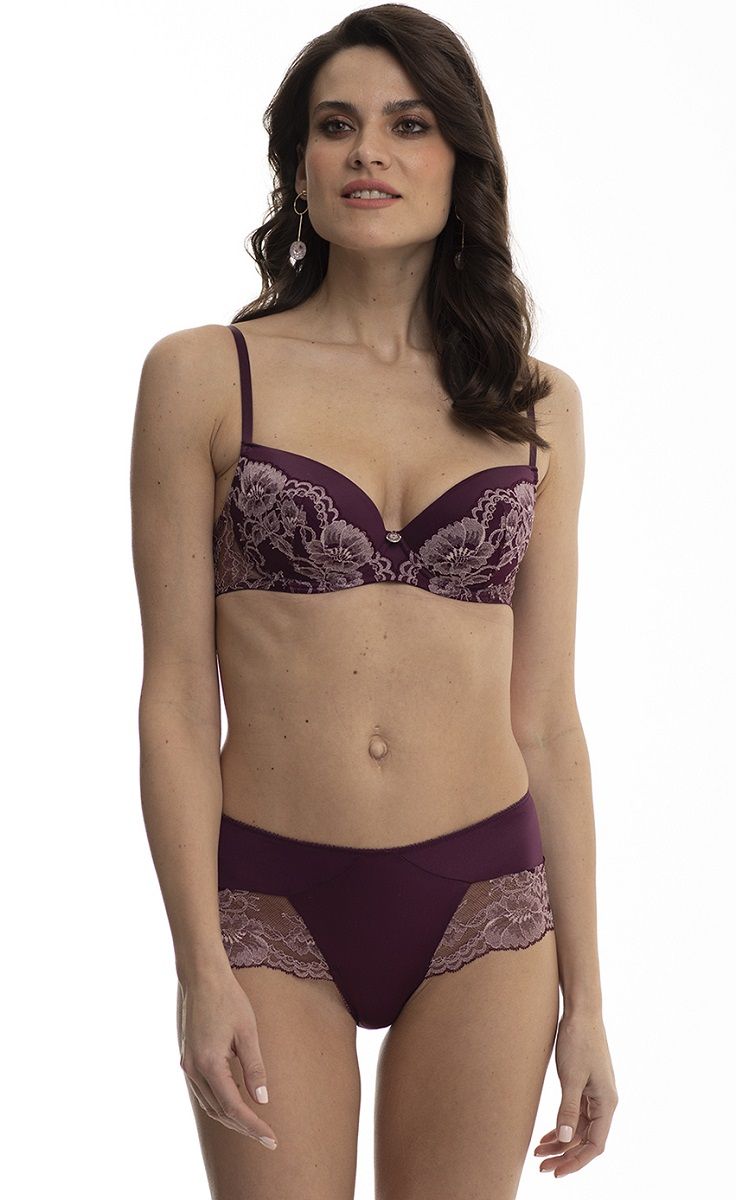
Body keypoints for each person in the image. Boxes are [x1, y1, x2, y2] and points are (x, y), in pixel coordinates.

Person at [130, 6, 617, 1198]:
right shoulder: (203, 375)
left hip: (488, 902)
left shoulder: (537, 405)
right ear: (297, 164)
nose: (369, 153)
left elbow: (548, 717)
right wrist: (197, 965)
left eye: (409, 125)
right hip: (269, 897)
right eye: (336, 125)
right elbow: (177, 701)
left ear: (460, 157)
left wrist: (590, 1002)